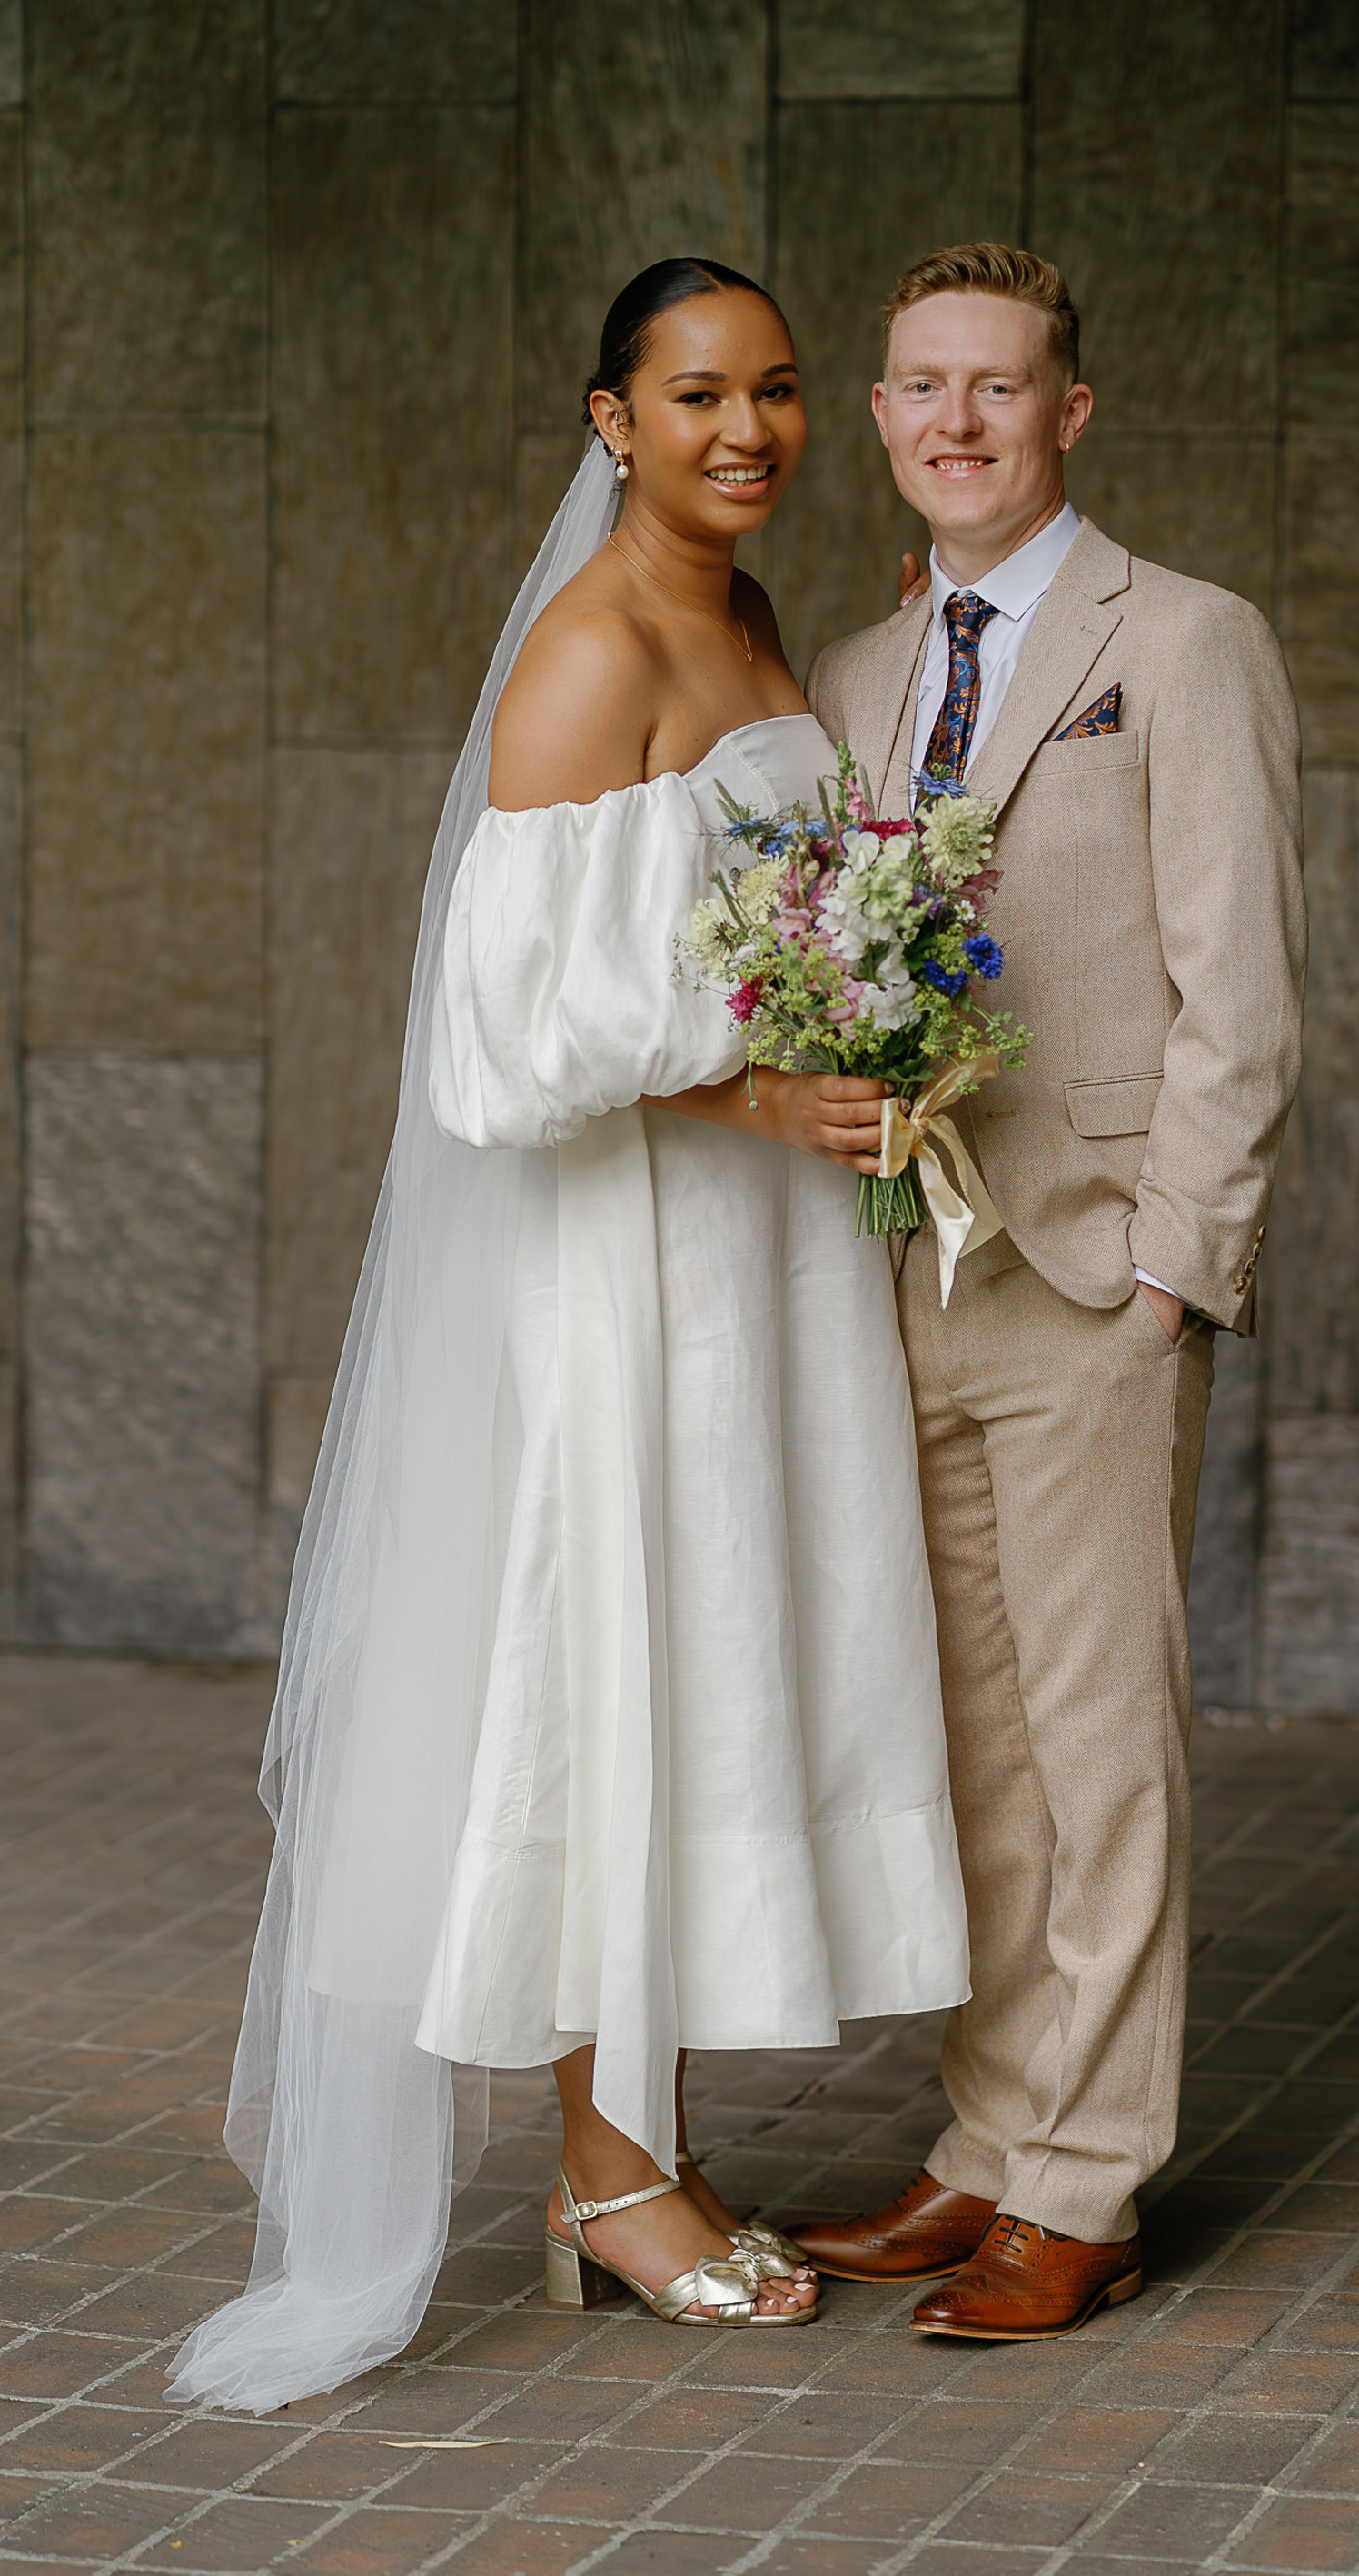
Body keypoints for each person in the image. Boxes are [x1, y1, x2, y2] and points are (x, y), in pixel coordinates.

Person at [167, 258, 968, 2412]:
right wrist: (755, 1089)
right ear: (608, 419)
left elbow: (783, 893)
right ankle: (614, 2181)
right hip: (636, 1262)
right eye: (697, 393)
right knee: (634, 1667)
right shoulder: (588, 656)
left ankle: (637, 2156)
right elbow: (499, 1043)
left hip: (760, 1253)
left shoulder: (755, 620)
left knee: (717, 1673)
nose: (748, 428)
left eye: (780, 390)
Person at [784, 244, 1305, 2342]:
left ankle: (1086, 2182)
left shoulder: (1180, 641)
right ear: (889, 414)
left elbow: (1241, 992)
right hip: (905, 1270)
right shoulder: (848, 676)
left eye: (999, 388)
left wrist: (1174, 1271)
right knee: (978, 1752)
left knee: (1100, 1744)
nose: (958, 422)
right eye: (923, 388)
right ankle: (993, 2135)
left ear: (1068, 412)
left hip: (1091, 1278)